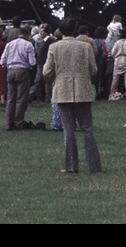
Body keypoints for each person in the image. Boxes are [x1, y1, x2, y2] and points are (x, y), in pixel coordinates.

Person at [43, 17, 102, 174]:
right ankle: (94, 166)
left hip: (62, 90)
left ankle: (71, 166)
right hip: (83, 90)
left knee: (68, 130)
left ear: (60, 30)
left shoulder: (54, 47)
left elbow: (47, 71)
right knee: (87, 129)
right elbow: (94, 70)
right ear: (75, 30)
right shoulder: (85, 47)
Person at [0, 25, 37, 130]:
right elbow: (32, 62)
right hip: (22, 71)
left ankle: (8, 123)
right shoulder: (28, 45)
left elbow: (2, 61)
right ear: (27, 35)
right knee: (21, 98)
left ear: (18, 34)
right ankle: (18, 123)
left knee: (11, 98)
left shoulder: (9, 44)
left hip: (10, 70)